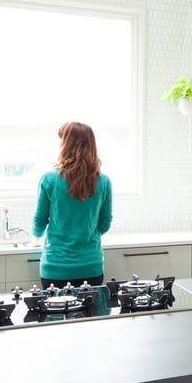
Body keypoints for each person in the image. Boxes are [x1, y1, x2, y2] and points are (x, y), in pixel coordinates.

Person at [32, 121, 113, 289]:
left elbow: (39, 222)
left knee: (54, 315)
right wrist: (87, 234)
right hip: (91, 267)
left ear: (66, 145)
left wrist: (36, 237)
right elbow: (105, 224)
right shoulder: (104, 181)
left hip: (55, 268)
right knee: (90, 315)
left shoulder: (49, 179)